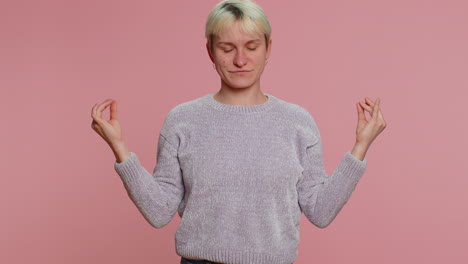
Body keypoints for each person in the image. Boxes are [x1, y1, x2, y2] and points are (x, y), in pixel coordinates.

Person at [90, 0, 387, 263]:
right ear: (210, 51)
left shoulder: (298, 122)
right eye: (227, 48)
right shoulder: (183, 120)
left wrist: (360, 147)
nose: (240, 60)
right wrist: (120, 149)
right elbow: (159, 211)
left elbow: (320, 211)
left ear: (269, 48)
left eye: (252, 47)